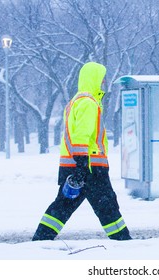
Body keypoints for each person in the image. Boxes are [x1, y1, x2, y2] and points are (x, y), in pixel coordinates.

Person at [32, 62, 132, 241]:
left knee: (63, 205)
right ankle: (122, 240)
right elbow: (81, 135)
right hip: (91, 167)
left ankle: (41, 238)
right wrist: (82, 166)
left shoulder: (76, 101)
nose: (104, 82)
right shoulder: (88, 103)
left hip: (76, 166)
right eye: (102, 78)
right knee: (106, 205)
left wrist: (77, 167)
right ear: (94, 79)